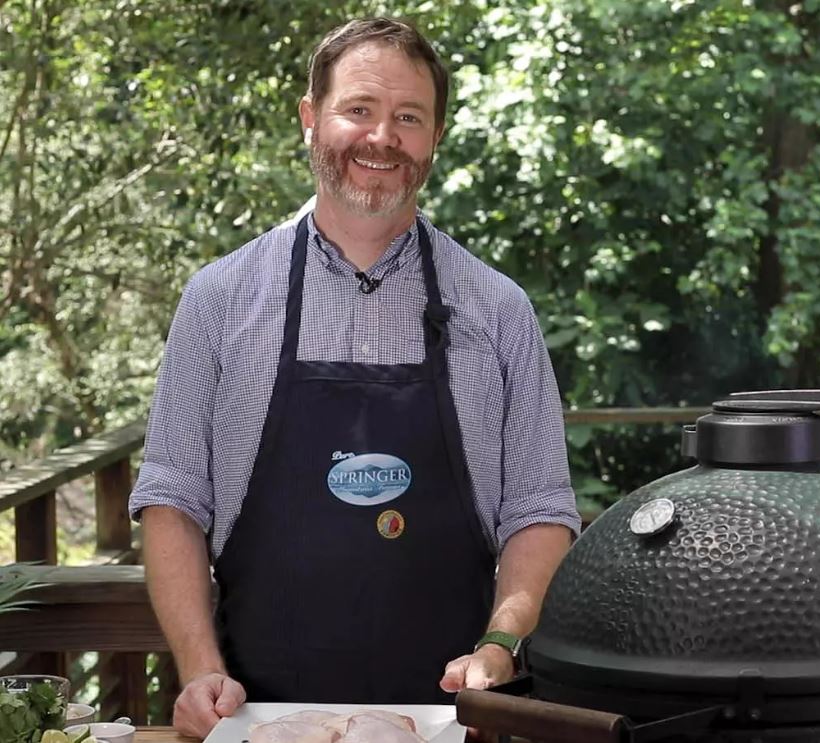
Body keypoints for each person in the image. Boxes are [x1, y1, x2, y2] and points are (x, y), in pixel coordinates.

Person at [129, 17, 580, 738]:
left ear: (434, 137)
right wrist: (199, 667)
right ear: (311, 119)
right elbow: (172, 500)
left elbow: (539, 508)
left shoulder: (500, 311)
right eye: (359, 110)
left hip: (452, 719)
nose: (382, 138)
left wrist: (500, 643)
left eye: (408, 118)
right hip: (255, 715)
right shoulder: (218, 300)